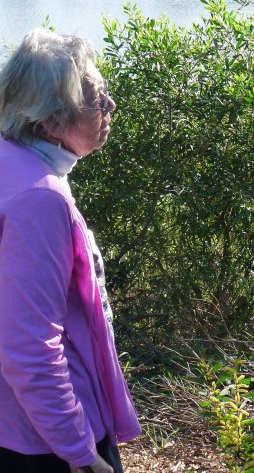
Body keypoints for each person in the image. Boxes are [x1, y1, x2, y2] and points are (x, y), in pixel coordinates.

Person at [0, 28, 141, 473]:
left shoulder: (12, 162)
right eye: (97, 99)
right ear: (51, 122)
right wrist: (79, 452)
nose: (110, 107)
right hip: (42, 443)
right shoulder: (39, 199)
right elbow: (30, 345)